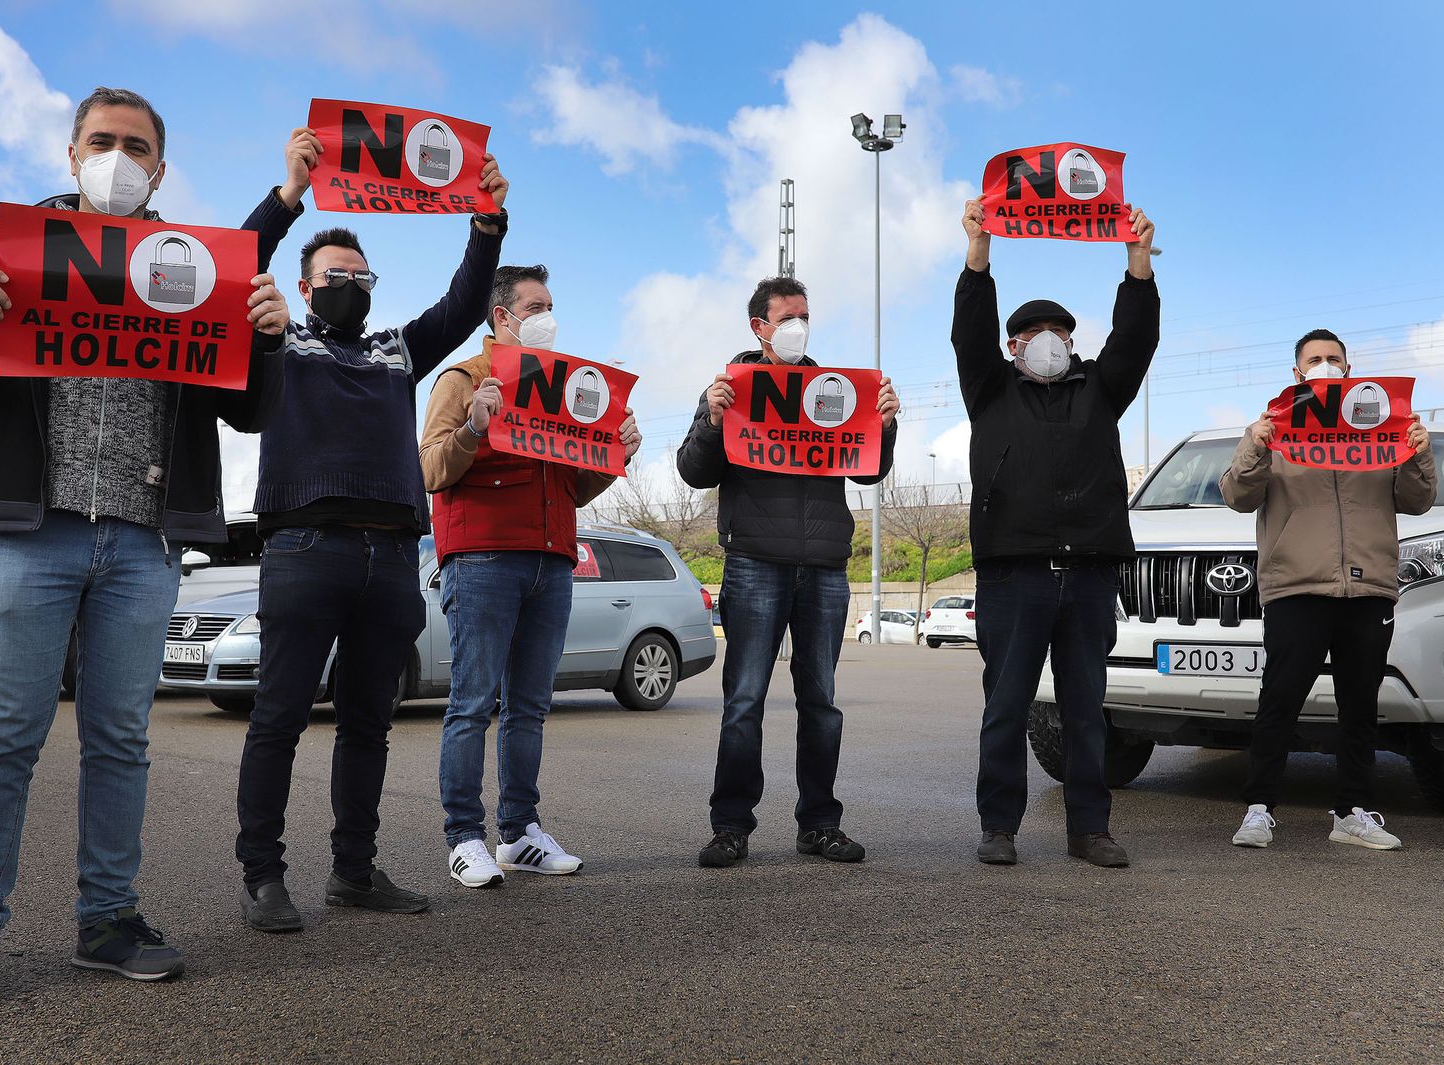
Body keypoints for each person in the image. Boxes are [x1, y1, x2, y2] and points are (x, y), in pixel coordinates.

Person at [0, 87, 289, 1009]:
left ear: (159, 166)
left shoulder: (195, 267)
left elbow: (248, 411)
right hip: (29, 533)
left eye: (136, 146)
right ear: (72, 152)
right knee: (4, 736)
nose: (117, 157)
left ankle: (108, 916)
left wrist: (268, 339)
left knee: (120, 740)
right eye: (101, 141)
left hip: (142, 540)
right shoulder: (8, 248)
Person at [233, 129, 510, 929]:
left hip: (390, 557)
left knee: (368, 726)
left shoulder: (396, 349)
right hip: (303, 549)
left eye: (362, 276)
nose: (350, 286)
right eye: (336, 276)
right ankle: (263, 877)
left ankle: (353, 870)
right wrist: (289, 196)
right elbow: (234, 262)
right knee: (280, 717)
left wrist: (486, 223)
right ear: (302, 284)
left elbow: (461, 306)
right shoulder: (278, 336)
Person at [419, 264, 642, 888]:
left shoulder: (565, 388)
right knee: (471, 704)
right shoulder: (463, 379)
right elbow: (431, 468)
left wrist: (615, 452)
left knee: (529, 708)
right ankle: (464, 836)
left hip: (552, 559)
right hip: (484, 559)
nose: (547, 318)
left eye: (550, 305)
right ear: (502, 318)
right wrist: (473, 427)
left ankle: (518, 833)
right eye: (535, 306)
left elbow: (574, 487)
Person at [953, 197, 1158, 869]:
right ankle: (999, 825)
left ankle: (1090, 828)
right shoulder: (989, 389)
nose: (1047, 338)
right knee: (1006, 705)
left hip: (1092, 573)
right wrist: (979, 256)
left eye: (1058, 329)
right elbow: (969, 330)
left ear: (1073, 340)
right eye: (1033, 330)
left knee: (1084, 709)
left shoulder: (1101, 387)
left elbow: (1135, 339)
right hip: (1014, 573)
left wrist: (1136, 269)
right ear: (1013, 346)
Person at [675, 276, 899, 869]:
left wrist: (887, 424)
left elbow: (869, 473)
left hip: (824, 566)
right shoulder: (731, 390)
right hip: (753, 564)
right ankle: (731, 827)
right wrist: (710, 418)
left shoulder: (836, 392)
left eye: (805, 315)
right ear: (760, 327)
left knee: (820, 702)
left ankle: (820, 824)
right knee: (745, 700)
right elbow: (694, 472)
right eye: (788, 316)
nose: (799, 325)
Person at [1222, 330, 1436, 851]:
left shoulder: (1382, 427)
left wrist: (1416, 454)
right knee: (1280, 701)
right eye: (1314, 360)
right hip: (1296, 585)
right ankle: (1258, 810)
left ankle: (1352, 813)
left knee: (1359, 706)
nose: (1325, 366)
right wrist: (1254, 444)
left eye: (1333, 359)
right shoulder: (1275, 430)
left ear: (1349, 368)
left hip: (1368, 588)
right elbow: (1236, 495)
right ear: (1298, 374)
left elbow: (1418, 500)